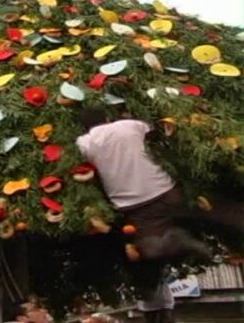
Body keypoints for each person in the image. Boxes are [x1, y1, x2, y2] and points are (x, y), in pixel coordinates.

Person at [76, 108, 212, 262]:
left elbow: (76, 164)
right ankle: (196, 237)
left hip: (134, 204)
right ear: (107, 118)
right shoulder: (128, 125)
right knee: (195, 213)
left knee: (150, 247)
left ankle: (179, 242)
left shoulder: (84, 143)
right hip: (165, 189)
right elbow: (154, 129)